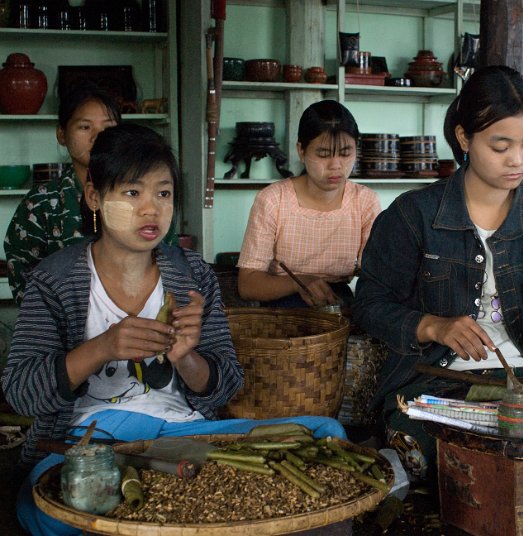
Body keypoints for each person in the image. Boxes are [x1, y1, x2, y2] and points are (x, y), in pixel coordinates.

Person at [1, 124, 345, 536]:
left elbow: (225, 386)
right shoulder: (54, 280)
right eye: (132, 193)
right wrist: (102, 348)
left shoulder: (191, 274)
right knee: (41, 506)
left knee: (325, 434)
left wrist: (186, 357)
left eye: (162, 193)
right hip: (91, 441)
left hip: (183, 434)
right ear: (94, 195)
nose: (151, 209)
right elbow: (21, 391)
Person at [353, 65, 523, 478]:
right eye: (500, 145)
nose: (518, 159)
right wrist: (432, 326)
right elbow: (368, 306)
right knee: (442, 456)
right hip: (434, 385)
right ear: (463, 138)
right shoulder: (413, 214)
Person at [237, 100, 380, 308]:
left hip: (339, 302)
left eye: (346, 153)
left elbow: (377, 274)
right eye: (323, 154)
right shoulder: (273, 200)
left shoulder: (365, 201)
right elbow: (248, 284)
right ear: (301, 151)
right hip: (282, 306)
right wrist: (301, 282)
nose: (336, 166)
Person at [3, 83, 121, 305]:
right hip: (65, 332)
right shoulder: (40, 204)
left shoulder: (144, 197)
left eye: (108, 127)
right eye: (85, 127)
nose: (98, 136)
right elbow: (26, 286)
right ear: (62, 134)